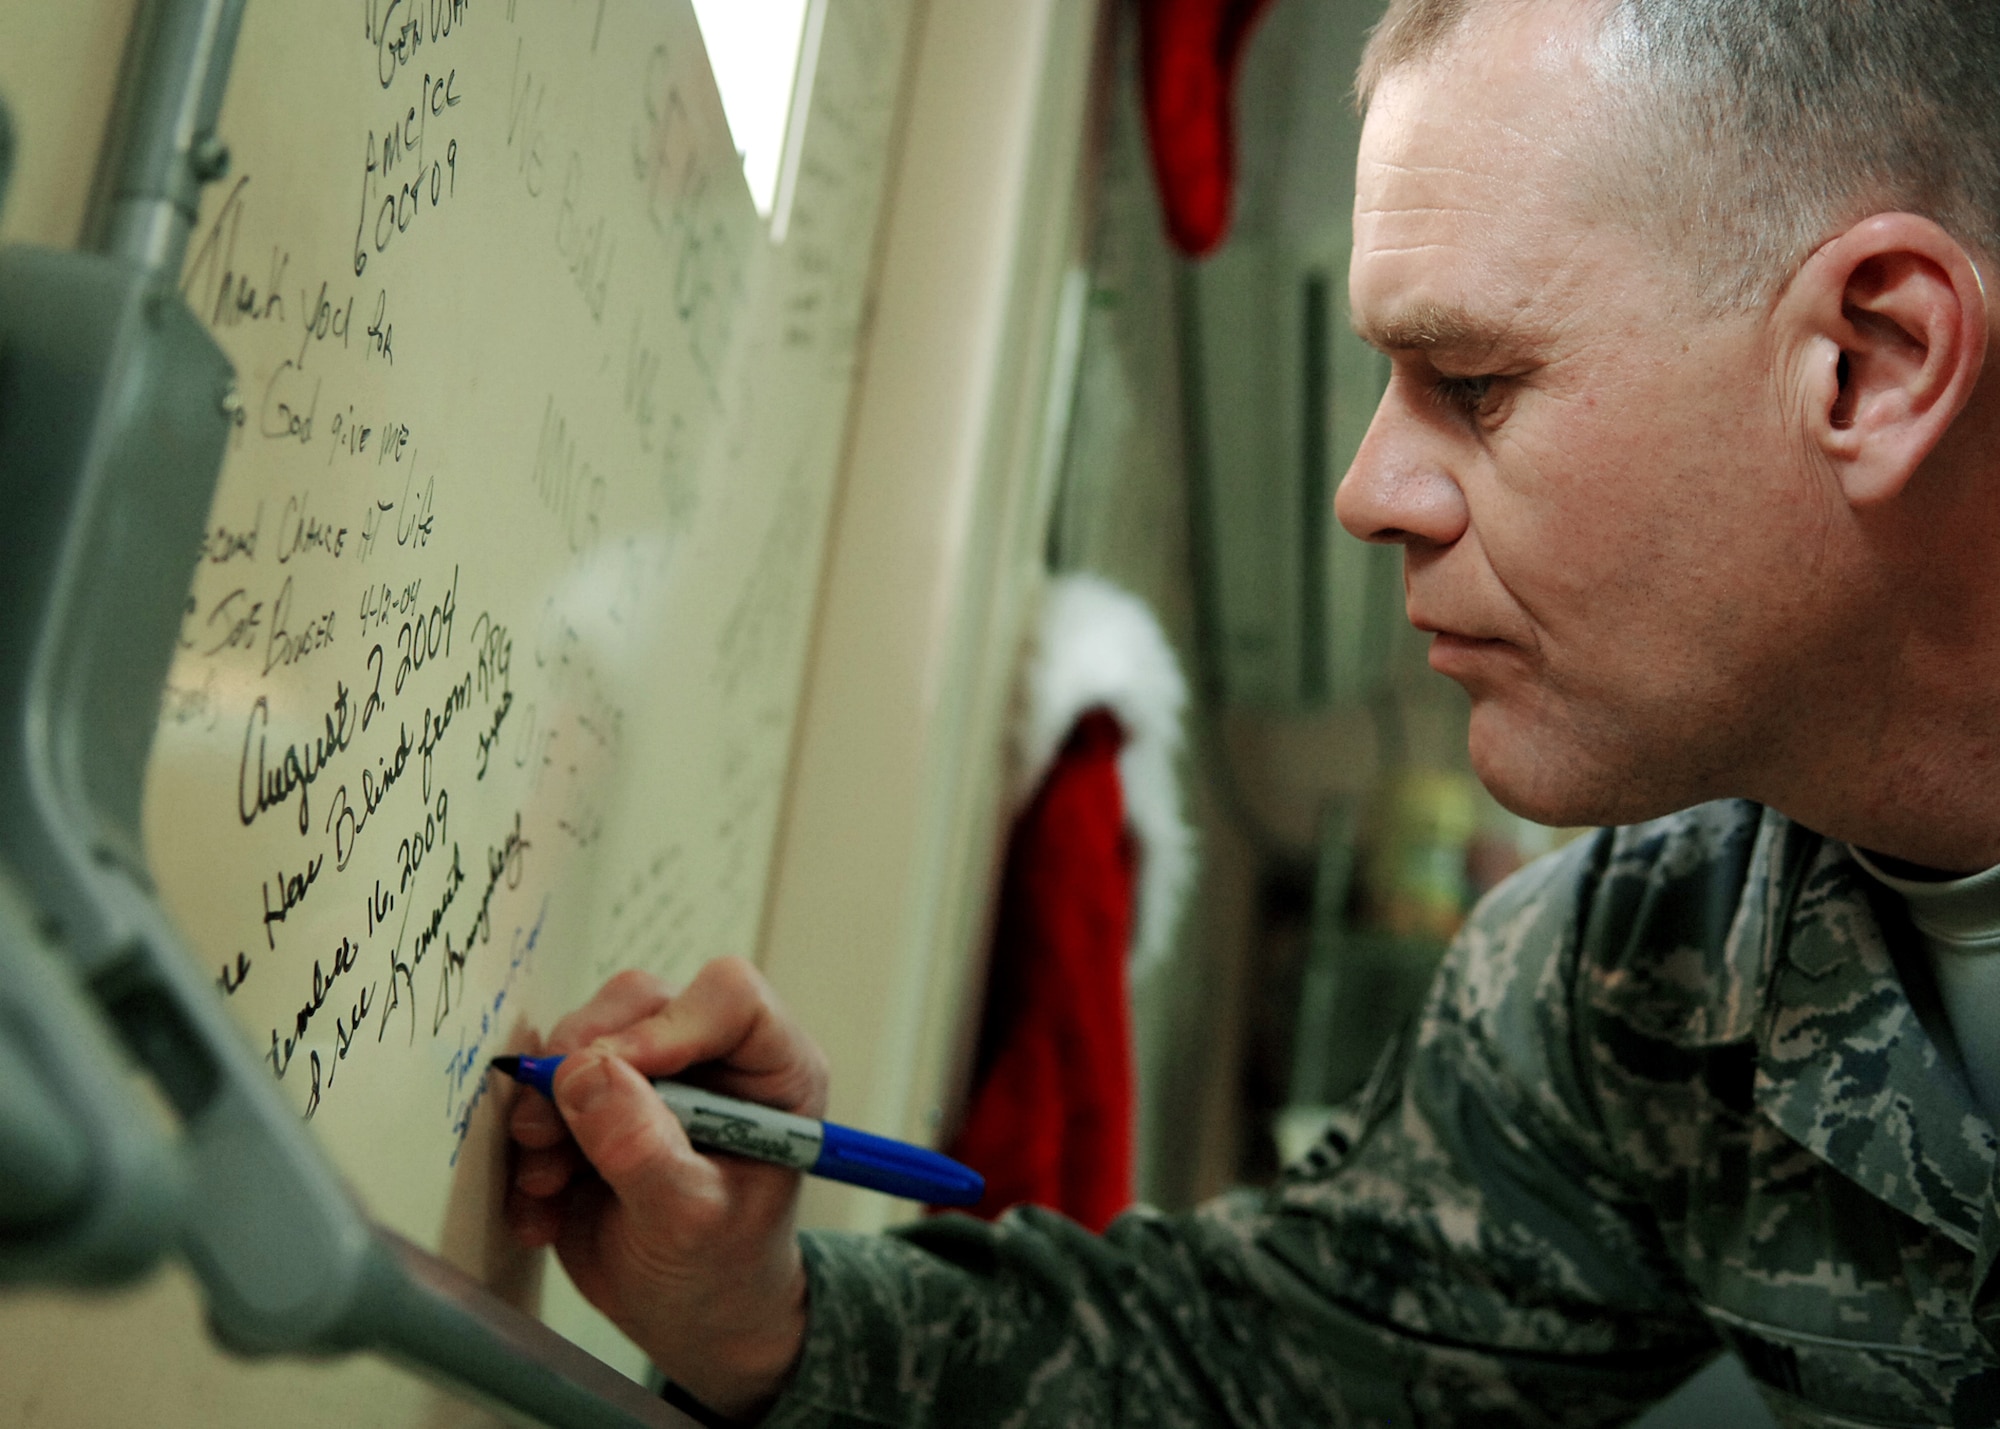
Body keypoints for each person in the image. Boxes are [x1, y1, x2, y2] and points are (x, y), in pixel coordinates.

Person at [505, 0, 2000, 1422]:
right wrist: (763, 1318)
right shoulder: (1652, 975)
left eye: (1472, 383)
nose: (1368, 495)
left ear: (1871, 363)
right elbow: (1260, 1359)